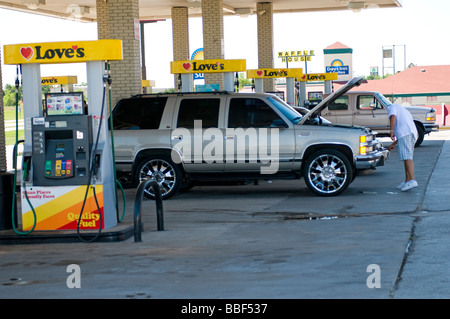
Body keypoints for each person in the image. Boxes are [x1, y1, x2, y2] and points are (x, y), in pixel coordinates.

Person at [386, 103, 418, 191]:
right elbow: (403, 132)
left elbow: (393, 117)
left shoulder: (392, 107)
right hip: (411, 134)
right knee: (406, 157)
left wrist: (391, 131)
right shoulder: (403, 110)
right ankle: (407, 181)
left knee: (407, 157)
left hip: (406, 134)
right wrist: (393, 144)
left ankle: (412, 180)